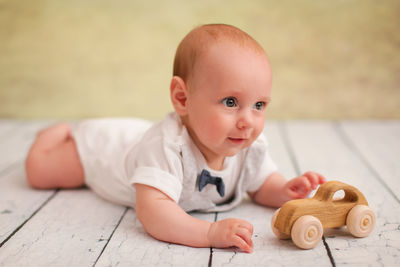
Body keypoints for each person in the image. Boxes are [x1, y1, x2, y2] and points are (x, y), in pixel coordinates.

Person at [25, 24, 326, 253]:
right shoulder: (166, 148)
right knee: (39, 173)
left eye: (259, 105)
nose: (248, 120)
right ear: (182, 98)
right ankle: (56, 133)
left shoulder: (247, 143)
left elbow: (260, 184)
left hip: (135, 135)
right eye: (231, 102)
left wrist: (285, 191)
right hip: (102, 150)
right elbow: (154, 213)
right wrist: (209, 234)